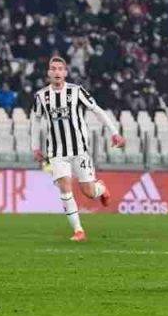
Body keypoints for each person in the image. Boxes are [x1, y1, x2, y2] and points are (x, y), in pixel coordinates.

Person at [31, 56, 125, 241]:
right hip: (57, 153)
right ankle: (78, 230)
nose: (57, 72)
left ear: (65, 73)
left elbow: (97, 110)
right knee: (65, 187)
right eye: (53, 69)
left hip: (79, 150)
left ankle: (101, 188)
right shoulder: (42, 96)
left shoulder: (76, 91)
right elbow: (35, 121)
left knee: (89, 192)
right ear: (49, 73)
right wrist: (35, 147)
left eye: (60, 69)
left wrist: (115, 132)